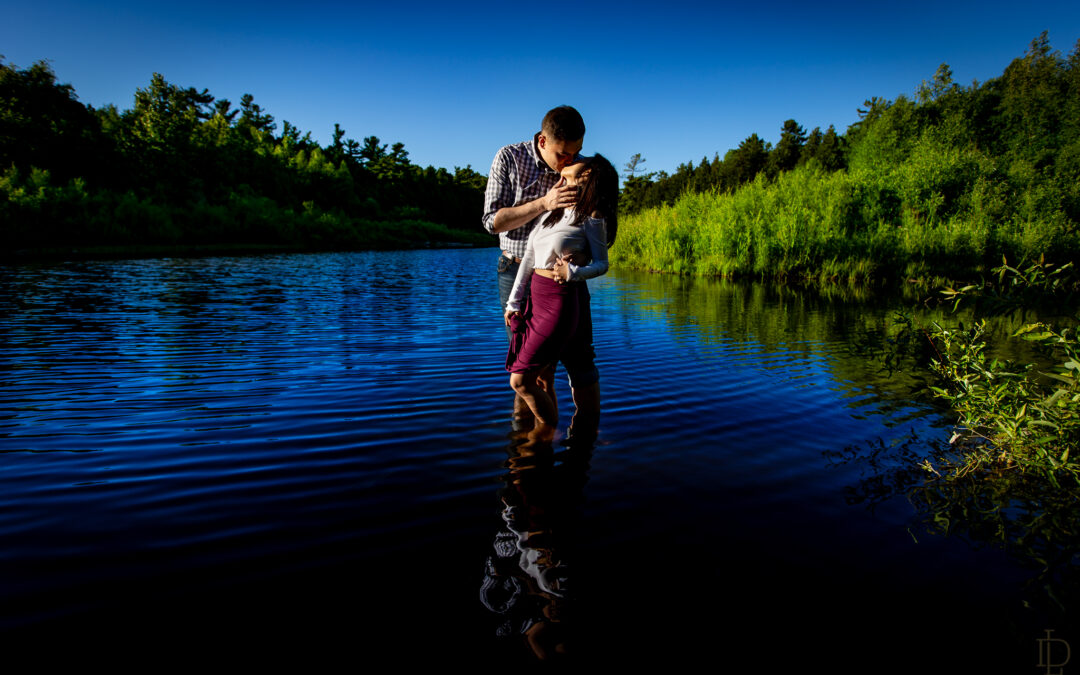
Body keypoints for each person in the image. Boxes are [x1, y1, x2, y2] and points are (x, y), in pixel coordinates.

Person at [483, 106, 600, 419]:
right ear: (542, 141)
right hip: (516, 269)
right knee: (531, 366)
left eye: (576, 152)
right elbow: (491, 221)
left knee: (581, 359)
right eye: (562, 154)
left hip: (565, 276)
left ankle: (586, 436)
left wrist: (584, 256)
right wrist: (544, 203)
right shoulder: (509, 158)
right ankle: (534, 439)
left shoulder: (579, 168)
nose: (569, 161)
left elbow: (599, 224)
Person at [503, 155, 619, 426]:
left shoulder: (591, 215)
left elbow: (603, 264)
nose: (576, 158)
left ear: (587, 175)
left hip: (559, 300)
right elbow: (529, 259)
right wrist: (514, 303)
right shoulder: (551, 211)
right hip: (536, 298)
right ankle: (547, 440)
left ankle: (546, 432)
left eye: (585, 160)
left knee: (520, 380)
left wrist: (573, 272)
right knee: (542, 377)